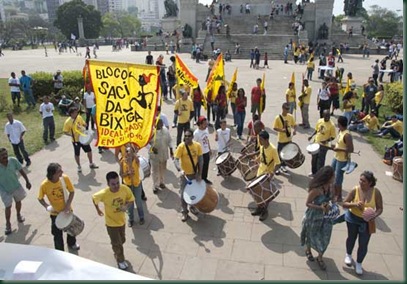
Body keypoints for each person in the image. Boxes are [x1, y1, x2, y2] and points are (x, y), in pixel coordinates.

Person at [342, 171, 383, 275]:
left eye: (363, 181)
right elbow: (344, 204)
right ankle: (348, 254)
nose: (360, 182)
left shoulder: (376, 192)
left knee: (363, 243)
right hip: (352, 218)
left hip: (367, 222)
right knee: (351, 237)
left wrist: (374, 215)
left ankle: (359, 263)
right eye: (360, 180)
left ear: (370, 183)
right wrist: (355, 204)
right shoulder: (355, 190)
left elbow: (380, 208)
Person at [92, 171, 135, 270]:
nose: (116, 186)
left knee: (122, 240)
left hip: (121, 221)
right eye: (113, 184)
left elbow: (131, 199)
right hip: (111, 223)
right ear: (108, 184)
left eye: (117, 183)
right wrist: (98, 209)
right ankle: (121, 260)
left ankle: (116, 250)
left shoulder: (124, 189)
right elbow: (94, 198)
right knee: (117, 243)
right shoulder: (104, 193)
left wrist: (126, 206)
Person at [38, 163, 80, 251]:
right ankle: (60, 251)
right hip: (55, 214)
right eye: (59, 171)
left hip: (67, 210)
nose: (62, 172)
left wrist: (68, 206)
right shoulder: (44, 185)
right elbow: (40, 198)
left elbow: (72, 192)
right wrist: (46, 206)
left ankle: (72, 243)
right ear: (53, 174)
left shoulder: (64, 178)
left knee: (71, 230)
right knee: (57, 234)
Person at [300, 166, 335, 271]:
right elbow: (307, 203)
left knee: (325, 238)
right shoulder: (316, 190)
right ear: (327, 177)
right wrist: (320, 207)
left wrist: (333, 202)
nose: (334, 177)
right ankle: (308, 250)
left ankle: (320, 257)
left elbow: (332, 198)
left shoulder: (331, 186)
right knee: (311, 235)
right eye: (333, 176)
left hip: (326, 218)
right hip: (314, 216)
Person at [245, 130, 280, 221]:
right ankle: (259, 208)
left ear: (266, 139)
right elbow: (261, 156)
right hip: (260, 171)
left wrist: (272, 173)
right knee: (257, 192)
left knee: (265, 194)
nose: (259, 141)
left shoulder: (273, 149)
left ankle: (264, 211)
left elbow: (278, 163)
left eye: (261, 139)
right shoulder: (262, 146)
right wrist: (255, 160)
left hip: (267, 174)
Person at [0, 147, 31, 235]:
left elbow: (21, 171)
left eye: (5, 154)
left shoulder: (13, 160)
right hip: (4, 190)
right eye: (2, 155)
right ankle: (8, 224)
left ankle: (18, 215)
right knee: (8, 206)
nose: (5, 156)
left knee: (18, 201)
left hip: (16, 185)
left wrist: (27, 181)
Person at [174, 129, 203, 222]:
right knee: (183, 195)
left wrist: (199, 174)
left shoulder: (197, 146)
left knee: (194, 193)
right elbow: (176, 160)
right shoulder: (181, 146)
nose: (186, 138)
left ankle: (193, 207)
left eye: (188, 136)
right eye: (185, 136)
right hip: (184, 176)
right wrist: (180, 169)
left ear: (192, 137)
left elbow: (200, 160)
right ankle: (184, 212)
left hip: (194, 175)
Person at [63, 107, 98, 173]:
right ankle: (79, 166)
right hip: (75, 140)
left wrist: (84, 125)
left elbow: (84, 124)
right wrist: (71, 135)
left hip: (83, 138)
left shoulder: (79, 117)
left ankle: (91, 163)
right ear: (71, 114)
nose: (77, 113)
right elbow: (65, 131)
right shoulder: (67, 122)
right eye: (75, 112)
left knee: (89, 151)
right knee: (77, 154)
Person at [119, 145, 145, 226]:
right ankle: (131, 219)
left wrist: (133, 153)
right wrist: (127, 173)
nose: (127, 153)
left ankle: (141, 217)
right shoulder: (122, 162)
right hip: (128, 185)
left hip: (136, 184)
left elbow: (137, 159)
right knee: (129, 203)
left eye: (129, 151)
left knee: (138, 202)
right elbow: (121, 174)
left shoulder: (136, 160)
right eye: (126, 151)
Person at [331, 116, 354, 202]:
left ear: (339, 124)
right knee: (331, 173)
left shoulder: (347, 135)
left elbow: (351, 149)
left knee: (338, 178)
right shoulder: (340, 131)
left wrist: (339, 149)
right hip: (336, 157)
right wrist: (335, 146)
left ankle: (339, 196)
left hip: (342, 159)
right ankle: (333, 192)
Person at [308, 110, 336, 177]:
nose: (327, 117)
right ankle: (313, 172)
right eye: (326, 116)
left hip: (324, 146)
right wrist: (311, 136)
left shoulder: (332, 125)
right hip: (316, 143)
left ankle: (319, 175)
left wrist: (326, 141)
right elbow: (316, 130)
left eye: (328, 116)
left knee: (320, 161)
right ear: (323, 115)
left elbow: (333, 137)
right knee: (314, 160)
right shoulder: (320, 121)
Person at [149, 119, 174, 193]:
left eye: (162, 123)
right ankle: (155, 185)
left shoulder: (165, 130)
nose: (161, 125)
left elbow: (170, 140)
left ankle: (161, 182)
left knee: (163, 169)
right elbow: (146, 143)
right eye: (159, 124)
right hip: (154, 155)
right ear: (155, 124)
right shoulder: (151, 132)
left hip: (163, 154)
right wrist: (152, 148)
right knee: (155, 171)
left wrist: (171, 150)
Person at [273, 102, 296, 174]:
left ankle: (283, 166)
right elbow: (274, 128)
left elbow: (294, 125)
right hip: (281, 139)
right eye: (286, 109)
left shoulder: (290, 116)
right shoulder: (278, 118)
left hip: (288, 139)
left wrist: (295, 130)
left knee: (286, 154)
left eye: (288, 109)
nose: (287, 110)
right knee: (279, 154)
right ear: (282, 108)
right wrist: (281, 130)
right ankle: (278, 167)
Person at [194, 116, 212, 184]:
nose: (206, 125)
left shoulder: (206, 130)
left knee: (206, 166)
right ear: (200, 124)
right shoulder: (196, 133)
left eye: (206, 123)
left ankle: (204, 178)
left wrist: (209, 149)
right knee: (200, 167)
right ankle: (199, 179)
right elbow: (194, 144)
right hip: (200, 153)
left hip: (206, 151)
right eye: (204, 124)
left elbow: (207, 139)